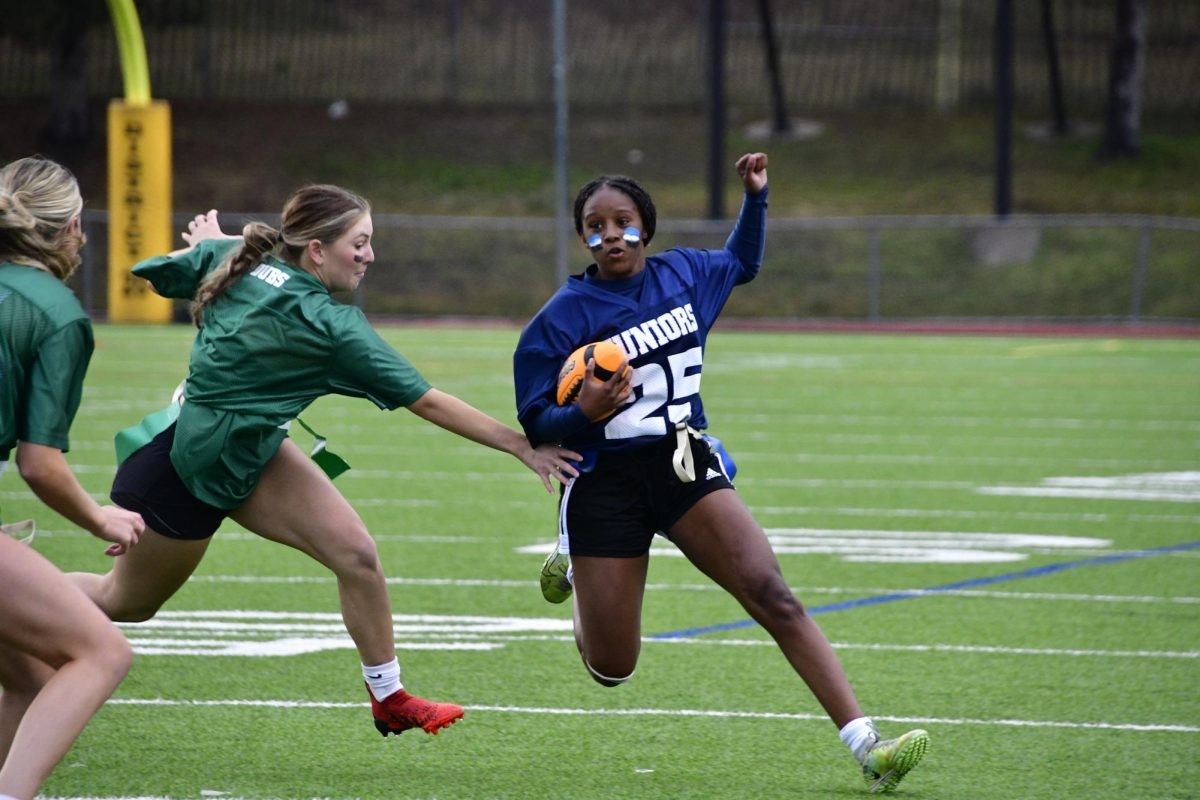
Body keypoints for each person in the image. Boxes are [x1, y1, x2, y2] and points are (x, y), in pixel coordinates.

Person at [68, 184, 580, 737]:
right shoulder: (331, 327)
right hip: (187, 467)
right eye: (358, 243)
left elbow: (149, 269)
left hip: (250, 447)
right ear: (316, 250)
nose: (369, 255)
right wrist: (521, 444)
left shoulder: (241, 264)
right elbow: (428, 401)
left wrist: (214, 247)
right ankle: (18, 596)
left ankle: (389, 697)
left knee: (356, 554)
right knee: (123, 601)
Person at [513, 153, 928, 793]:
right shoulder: (563, 315)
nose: (610, 235)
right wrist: (582, 412)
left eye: (623, 221)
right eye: (595, 226)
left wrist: (756, 198)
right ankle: (572, 559)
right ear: (583, 237)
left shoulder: (684, 274)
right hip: (603, 482)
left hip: (681, 460)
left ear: (644, 228)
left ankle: (867, 744)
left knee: (771, 590)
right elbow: (537, 421)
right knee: (612, 667)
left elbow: (743, 263)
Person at [0, 156, 146, 800]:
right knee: (104, 653)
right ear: (70, 228)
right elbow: (40, 462)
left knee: (30, 677)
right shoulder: (57, 311)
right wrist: (100, 516)